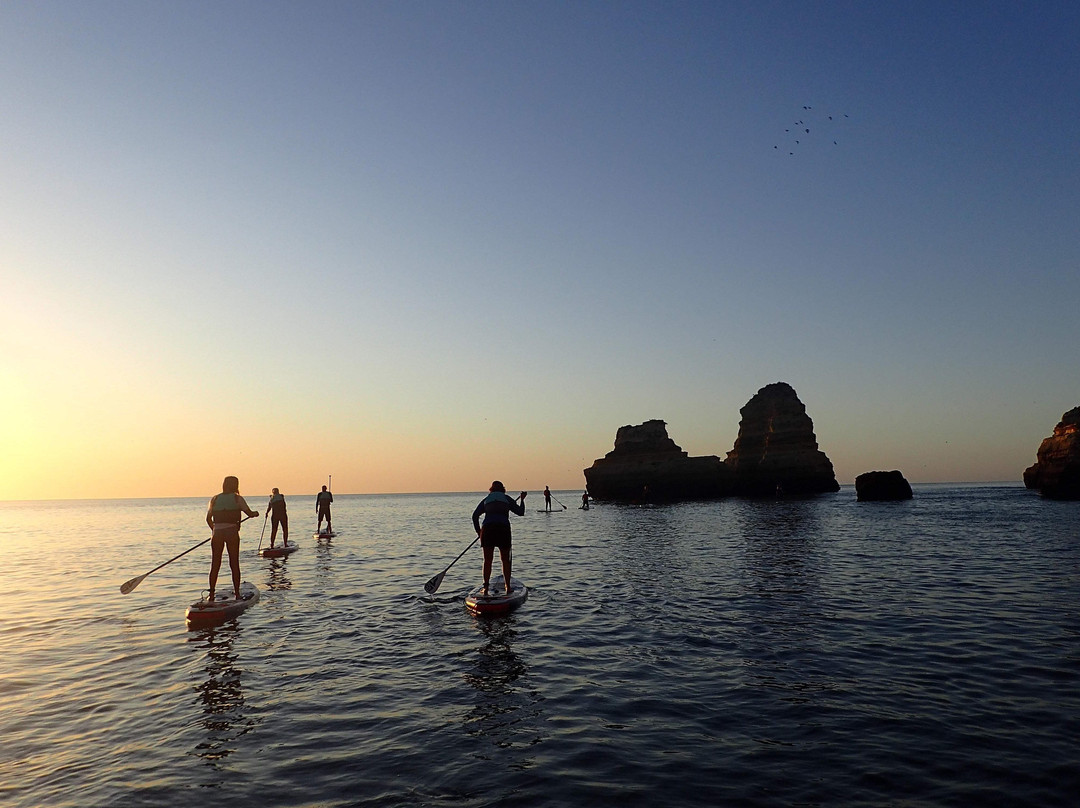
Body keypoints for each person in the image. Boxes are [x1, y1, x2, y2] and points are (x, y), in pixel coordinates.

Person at [205, 476, 258, 602]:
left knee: (215, 564)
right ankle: (237, 594)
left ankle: (211, 594)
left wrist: (215, 530)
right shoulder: (237, 498)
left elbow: (208, 519)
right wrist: (255, 513)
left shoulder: (215, 499)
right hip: (231, 533)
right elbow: (249, 513)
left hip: (216, 533)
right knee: (234, 563)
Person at [471, 481, 526, 594]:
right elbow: (520, 512)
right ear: (503, 489)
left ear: (491, 489)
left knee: (487, 560)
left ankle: (485, 588)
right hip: (503, 529)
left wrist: (479, 532)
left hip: (488, 530)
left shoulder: (486, 499)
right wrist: (522, 499)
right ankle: (508, 587)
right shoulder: (506, 499)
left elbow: (475, 516)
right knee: (505, 560)